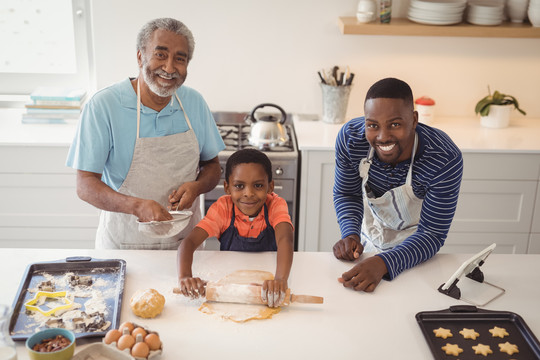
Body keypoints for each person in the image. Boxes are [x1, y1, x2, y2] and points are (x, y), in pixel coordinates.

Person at [66, 18, 225, 249]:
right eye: (160, 54)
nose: (170, 68)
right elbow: (85, 185)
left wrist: (197, 187)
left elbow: (212, 166)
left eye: (179, 59)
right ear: (140, 56)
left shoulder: (194, 103)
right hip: (124, 244)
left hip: (184, 246)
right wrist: (136, 206)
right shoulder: (104, 106)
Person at [332, 77, 463, 292]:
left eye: (395, 124)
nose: (383, 137)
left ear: (413, 119)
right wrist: (350, 235)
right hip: (369, 243)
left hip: (418, 249)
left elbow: (432, 234)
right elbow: (347, 194)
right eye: (373, 125)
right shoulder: (350, 139)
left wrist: (384, 263)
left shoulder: (444, 157)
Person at [177, 149, 294, 307]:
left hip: (269, 280)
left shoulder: (275, 205)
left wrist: (280, 280)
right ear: (227, 187)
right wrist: (185, 277)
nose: (248, 193)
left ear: (270, 187)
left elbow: (285, 238)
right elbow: (189, 242)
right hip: (231, 285)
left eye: (258, 185)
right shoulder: (223, 209)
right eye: (239, 186)